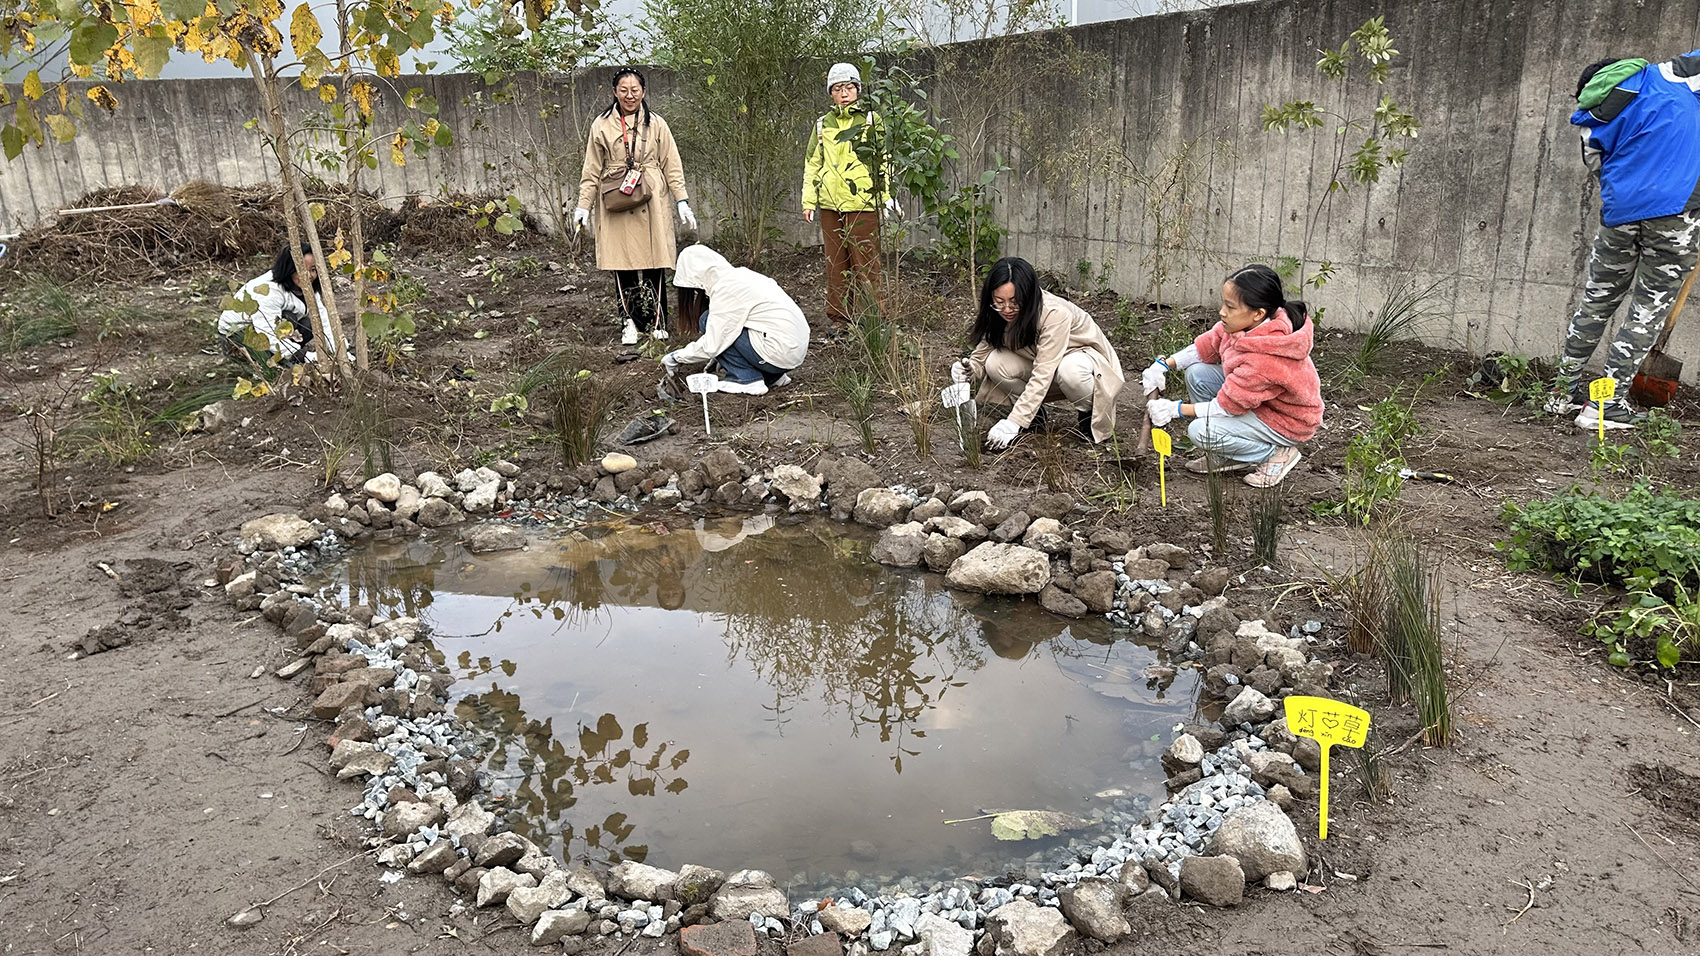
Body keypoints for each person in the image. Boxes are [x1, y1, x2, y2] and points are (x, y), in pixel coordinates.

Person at [1545, 51, 1700, 430]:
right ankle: (1605, 405)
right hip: (1675, 213)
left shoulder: (1593, 116)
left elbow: (1597, 166)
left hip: (1619, 214)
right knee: (1647, 309)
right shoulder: (1673, 76)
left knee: (1597, 300)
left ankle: (1561, 393)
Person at [1143, 264, 1322, 488]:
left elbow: (1226, 407)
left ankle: (1275, 453)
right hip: (1259, 402)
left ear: (1258, 313)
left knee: (1200, 431)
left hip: (1285, 421)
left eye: (1230, 306)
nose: (1222, 312)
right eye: (1223, 303)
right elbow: (1205, 346)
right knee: (1197, 374)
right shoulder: (1246, 323)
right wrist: (1161, 366)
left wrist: (1174, 409)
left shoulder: (1265, 357)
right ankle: (1229, 452)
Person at [574, 67, 696, 347]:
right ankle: (629, 321)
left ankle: (657, 321)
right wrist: (583, 205)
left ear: (643, 91)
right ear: (615, 92)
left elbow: (672, 165)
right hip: (615, 194)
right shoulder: (601, 125)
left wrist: (682, 200)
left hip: (651, 194)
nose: (630, 96)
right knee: (622, 261)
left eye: (635, 90)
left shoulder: (657, 124)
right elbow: (591, 169)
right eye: (624, 90)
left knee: (655, 258)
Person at [950, 256, 1125, 448]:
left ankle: (1089, 417)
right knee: (995, 362)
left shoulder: (1054, 313)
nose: (1007, 309)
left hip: (1083, 365)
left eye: (1014, 302)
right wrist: (969, 369)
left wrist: (1014, 421)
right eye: (999, 301)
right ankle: (1034, 417)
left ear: (1028, 296)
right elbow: (983, 352)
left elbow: (1043, 372)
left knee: (1070, 370)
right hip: (1045, 365)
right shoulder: (998, 310)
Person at [802, 62, 900, 330]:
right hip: (831, 206)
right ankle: (839, 319)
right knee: (836, 264)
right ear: (830, 93)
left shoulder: (870, 120)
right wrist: (809, 200)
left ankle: (873, 319)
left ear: (857, 89)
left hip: (863, 204)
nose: (843, 93)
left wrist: (886, 196)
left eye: (848, 87)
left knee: (866, 262)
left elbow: (883, 160)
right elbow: (813, 163)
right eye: (837, 88)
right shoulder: (823, 125)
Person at [662, 244, 809, 396]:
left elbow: (714, 343)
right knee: (722, 327)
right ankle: (773, 377)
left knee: (707, 321)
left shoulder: (726, 290)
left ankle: (746, 380)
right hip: (792, 352)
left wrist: (676, 357)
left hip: (778, 352)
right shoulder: (741, 276)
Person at [216, 244, 342, 366]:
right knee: (287, 318)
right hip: (238, 338)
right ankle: (281, 360)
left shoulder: (308, 288)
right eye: (301, 269)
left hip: (266, 332)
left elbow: (323, 320)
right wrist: (304, 356)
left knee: (310, 323)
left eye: (313, 270)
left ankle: (287, 355)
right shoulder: (269, 290)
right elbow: (267, 332)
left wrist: (340, 351)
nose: (309, 276)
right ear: (289, 268)